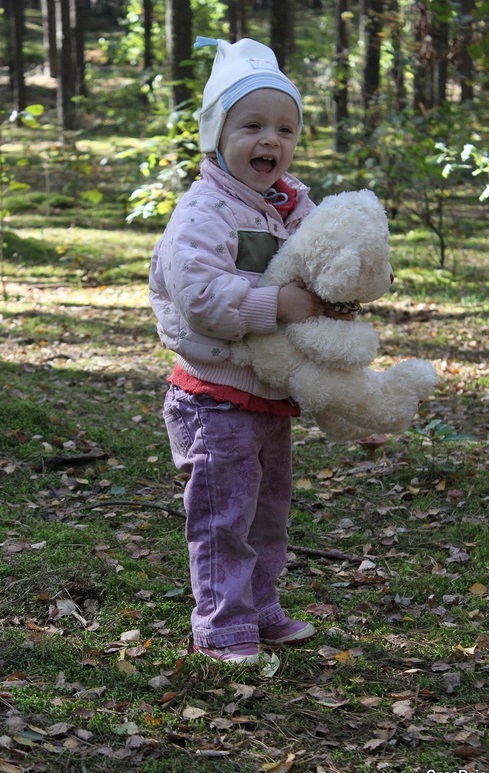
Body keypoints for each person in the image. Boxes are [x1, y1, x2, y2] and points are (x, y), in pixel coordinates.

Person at [149, 36, 322, 665]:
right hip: (213, 396)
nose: (270, 140)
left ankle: (259, 605)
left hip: (268, 393)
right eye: (251, 125)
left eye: (285, 128)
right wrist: (277, 305)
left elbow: (318, 267)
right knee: (224, 516)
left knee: (267, 512)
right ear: (217, 134)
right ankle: (222, 625)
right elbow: (200, 297)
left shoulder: (291, 209)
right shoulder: (205, 212)